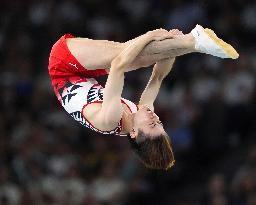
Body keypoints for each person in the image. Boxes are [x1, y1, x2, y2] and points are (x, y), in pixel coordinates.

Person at [48, 25, 238, 170]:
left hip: (62, 67)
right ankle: (192, 41)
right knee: (143, 59)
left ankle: (195, 42)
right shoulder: (141, 116)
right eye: (161, 125)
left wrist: (150, 35)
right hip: (85, 74)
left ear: (134, 133)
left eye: (153, 125)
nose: (156, 118)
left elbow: (118, 65)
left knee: (125, 53)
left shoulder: (110, 119)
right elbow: (157, 77)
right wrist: (173, 46)